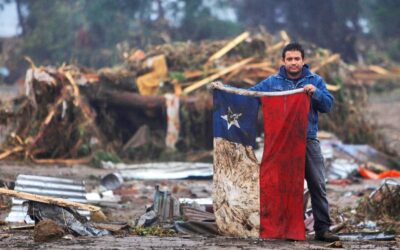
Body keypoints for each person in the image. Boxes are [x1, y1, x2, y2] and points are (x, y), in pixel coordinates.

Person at [249, 42, 338, 242]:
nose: (293, 62)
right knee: (282, 186)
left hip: (307, 140)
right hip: (282, 144)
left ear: (303, 61)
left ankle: (323, 228)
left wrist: (315, 92)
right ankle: (285, 228)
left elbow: (328, 106)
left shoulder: (315, 80)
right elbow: (250, 96)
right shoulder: (272, 82)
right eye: (289, 59)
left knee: (317, 185)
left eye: (297, 59)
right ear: (283, 61)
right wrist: (224, 90)